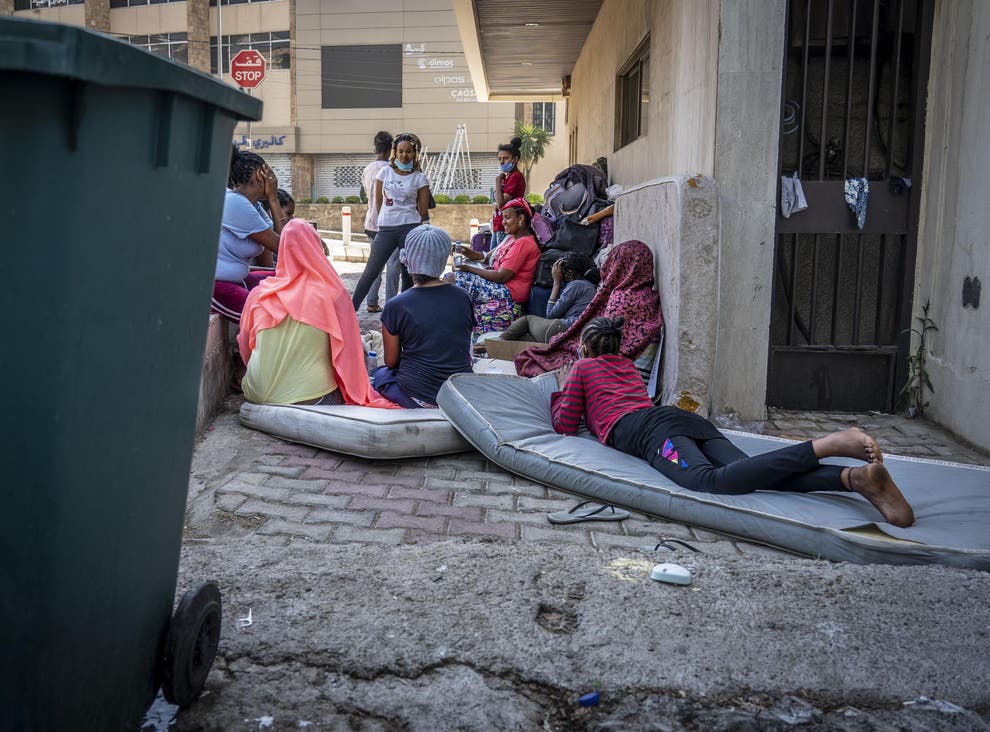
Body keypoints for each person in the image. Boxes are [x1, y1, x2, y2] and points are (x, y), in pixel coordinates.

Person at [551, 317, 915, 527]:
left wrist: (561, 385)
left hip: (650, 430)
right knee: (751, 470)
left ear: (585, 347)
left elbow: (566, 424)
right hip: (682, 420)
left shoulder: (582, 367)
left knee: (707, 480)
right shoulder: (627, 366)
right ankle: (854, 479)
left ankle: (829, 444)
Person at [237, 219, 397, 408]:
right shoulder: (332, 294)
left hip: (256, 394)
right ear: (316, 247)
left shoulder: (259, 294)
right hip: (312, 399)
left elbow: (246, 349)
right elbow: (347, 357)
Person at [515, 239, 663, 376]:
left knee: (530, 352)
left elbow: (605, 346)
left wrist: (556, 283)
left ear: (621, 265)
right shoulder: (648, 295)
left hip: (612, 370)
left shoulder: (621, 298)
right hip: (629, 370)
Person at [371, 224, 475, 409]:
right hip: (460, 389)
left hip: (417, 394)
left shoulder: (395, 305)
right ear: (443, 260)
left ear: (407, 259)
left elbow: (391, 361)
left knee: (381, 374)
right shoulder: (463, 297)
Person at [350, 132, 430, 310]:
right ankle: (350, 310)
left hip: (410, 230)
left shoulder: (420, 178)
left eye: (408, 151)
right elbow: (378, 203)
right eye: (400, 151)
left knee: (409, 274)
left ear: (415, 153)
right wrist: (389, 217)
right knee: (371, 271)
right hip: (386, 229)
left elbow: (422, 211)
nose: (404, 155)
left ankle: (406, 313)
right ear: (394, 152)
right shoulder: (384, 172)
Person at [212, 148, 289, 322]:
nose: (271, 176)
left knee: (292, 281)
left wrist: (272, 198)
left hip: (238, 280)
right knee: (268, 317)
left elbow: (284, 237)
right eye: (266, 171)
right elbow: (282, 246)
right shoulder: (235, 202)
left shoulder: (252, 205)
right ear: (258, 176)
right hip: (217, 288)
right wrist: (274, 197)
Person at [449, 196, 540, 334]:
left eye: (507, 218)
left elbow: (501, 276)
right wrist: (466, 252)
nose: (503, 222)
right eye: (503, 218)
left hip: (507, 292)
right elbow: (486, 258)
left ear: (521, 219)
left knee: (455, 279)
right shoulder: (510, 238)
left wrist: (468, 268)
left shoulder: (524, 243)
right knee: (452, 278)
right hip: (499, 286)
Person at [499, 251, 599, 343]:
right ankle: (495, 345)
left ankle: (496, 342)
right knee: (524, 338)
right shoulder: (589, 285)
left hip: (566, 328)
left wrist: (556, 282)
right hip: (575, 330)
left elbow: (551, 314)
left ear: (570, 273)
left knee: (527, 320)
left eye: (562, 273)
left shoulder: (576, 285)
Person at [362, 131, 399, 314]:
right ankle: (392, 304)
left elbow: (367, 193)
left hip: (371, 222)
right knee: (393, 264)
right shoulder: (392, 170)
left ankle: (371, 301)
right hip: (390, 223)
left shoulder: (368, 169)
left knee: (375, 264)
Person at [492, 136, 526, 249]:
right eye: (500, 159)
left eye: (505, 158)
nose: (502, 162)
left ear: (515, 159)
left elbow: (501, 204)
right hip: (498, 224)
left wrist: (498, 181)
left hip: (506, 225)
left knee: (498, 259)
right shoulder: (508, 177)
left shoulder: (516, 177)